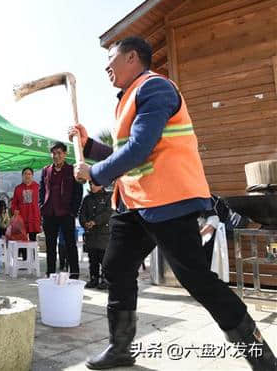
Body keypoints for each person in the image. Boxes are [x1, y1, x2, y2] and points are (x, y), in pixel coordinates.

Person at [70, 36, 275, 370]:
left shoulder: (156, 89)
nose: (106, 66)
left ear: (132, 57)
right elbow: (127, 153)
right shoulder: (128, 99)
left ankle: (260, 355)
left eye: (111, 58)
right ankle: (120, 348)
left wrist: (94, 173)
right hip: (135, 203)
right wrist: (89, 145)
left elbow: (140, 148)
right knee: (117, 267)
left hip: (170, 200)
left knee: (195, 278)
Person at [39, 142, 83, 278]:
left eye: (59, 153)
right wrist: (41, 207)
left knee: (70, 244)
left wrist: (73, 212)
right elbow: (41, 190)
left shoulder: (72, 170)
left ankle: (74, 272)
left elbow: (78, 192)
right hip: (49, 213)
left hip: (66, 213)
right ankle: (50, 273)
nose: (56, 156)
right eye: (54, 153)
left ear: (65, 154)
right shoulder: (46, 170)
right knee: (50, 245)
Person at [78, 180, 111, 289]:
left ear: (101, 185)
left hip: (104, 234)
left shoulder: (108, 197)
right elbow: (81, 213)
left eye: (93, 184)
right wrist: (84, 223)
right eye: (90, 184)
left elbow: (108, 213)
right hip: (90, 234)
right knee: (93, 259)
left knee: (104, 259)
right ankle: (94, 279)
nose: (91, 186)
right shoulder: (87, 198)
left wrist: (95, 221)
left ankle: (105, 279)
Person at [11, 167, 41, 242]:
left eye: (29, 174)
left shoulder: (37, 187)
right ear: (22, 176)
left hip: (34, 217)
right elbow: (14, 203)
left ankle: (32, 254)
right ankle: (23, 254)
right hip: (22, 218)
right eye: (25, 174)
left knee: (33, 240)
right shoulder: (18, 188)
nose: (27, 176)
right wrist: (15, 210)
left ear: (32, 175)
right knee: (21, 241)